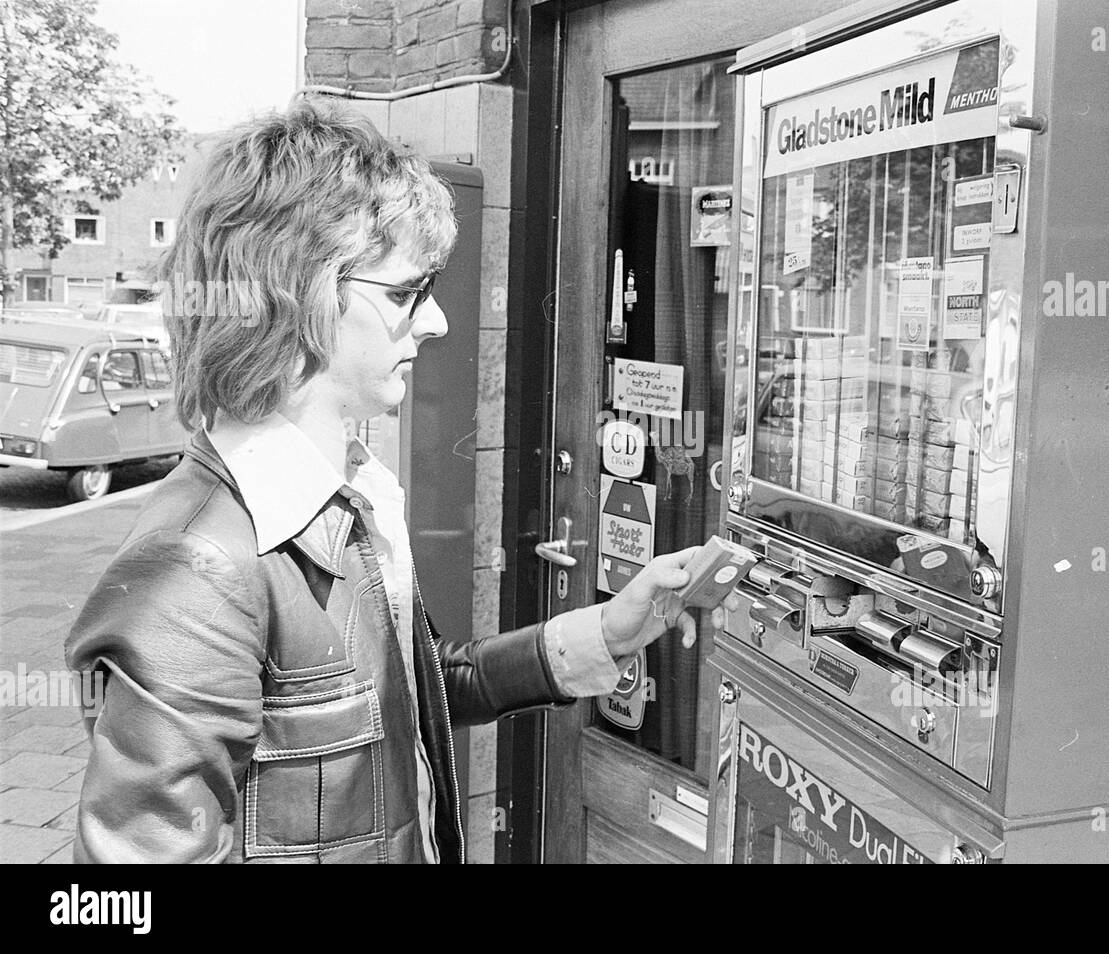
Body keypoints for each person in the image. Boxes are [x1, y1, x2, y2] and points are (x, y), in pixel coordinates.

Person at [64, 101, 699, 864]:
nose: (434, 323)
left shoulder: (351, 491)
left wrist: (606, 632)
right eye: (405, 293)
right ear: (296, 295)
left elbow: (423, 684)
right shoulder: (196, 564)